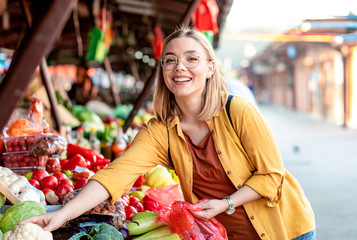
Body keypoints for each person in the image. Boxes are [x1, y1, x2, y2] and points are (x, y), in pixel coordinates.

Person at [22, 26, 315, 240]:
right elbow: (115, 175)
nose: (180, 67)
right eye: (171, 60)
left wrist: (226, 203)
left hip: (285, 228)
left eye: (192, 59)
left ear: (210, 67)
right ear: (163, 69)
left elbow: (272, 176)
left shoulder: (237, 111)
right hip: (229, 234)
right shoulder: (160, 131)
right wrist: (61, 215)